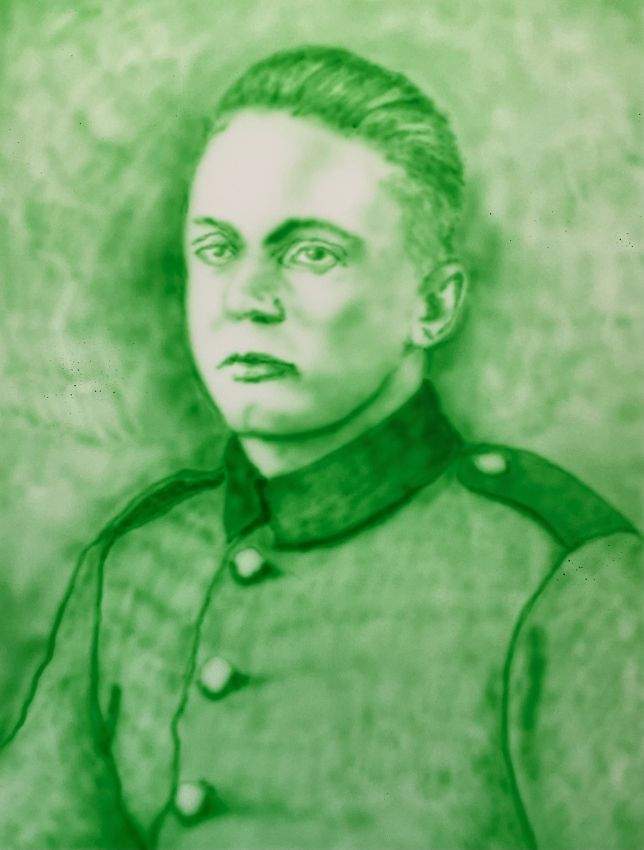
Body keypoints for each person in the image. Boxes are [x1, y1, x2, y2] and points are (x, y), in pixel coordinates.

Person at [0, 45, 641, 850]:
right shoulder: (136, 562)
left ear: (433, 306)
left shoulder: (564, 574)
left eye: (312, 254)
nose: (246, 298)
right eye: (217, 249)